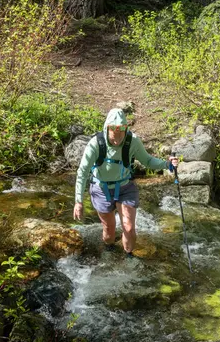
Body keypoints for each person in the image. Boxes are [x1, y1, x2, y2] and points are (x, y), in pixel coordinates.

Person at [73, 108, 178, 257]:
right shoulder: (96, 144)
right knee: (109, 230)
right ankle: (109, 250)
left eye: (120, 136)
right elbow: (82, 172)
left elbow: (147, 160)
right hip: (101, 189)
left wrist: (166, 164)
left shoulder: (132, 141)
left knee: (128, 228)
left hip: (125, 187)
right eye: (113, 136)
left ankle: (129, 256)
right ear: (106, 128)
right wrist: (79, 201)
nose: (117, 140)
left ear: (125, 130)